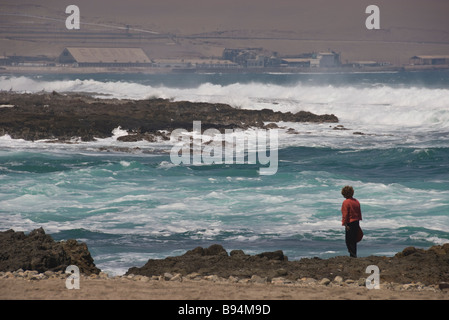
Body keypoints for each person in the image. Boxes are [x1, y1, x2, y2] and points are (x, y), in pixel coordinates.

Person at [341, 186, 362, 257]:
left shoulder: (346, 202)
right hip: (356, 221)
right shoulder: (356, 201)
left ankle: (352, 256)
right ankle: (354, 255)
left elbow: (345, 214)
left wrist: (345, 224)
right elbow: (359, 212)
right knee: (353, 241)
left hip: (350, 222)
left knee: (349, 241)